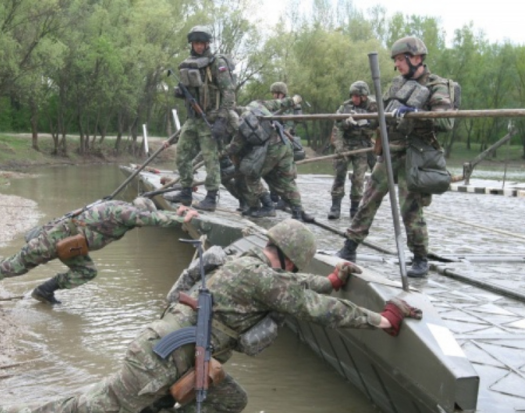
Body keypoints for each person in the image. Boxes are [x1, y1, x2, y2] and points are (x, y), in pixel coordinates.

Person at [0, 219, 423, 413]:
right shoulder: (262, 278)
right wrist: (382, 320)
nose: (295, 273)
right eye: (298, 267)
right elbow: (318, 309)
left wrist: (331, 279)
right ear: (290, 258)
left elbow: (295, 288)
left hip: (179, 357)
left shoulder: (252, 266)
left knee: (230, 399)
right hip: (159, 360)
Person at [335, 37, 455, 278]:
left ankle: (420, 258)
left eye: (401, 59)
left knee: (410, 209)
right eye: (396, 61)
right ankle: (349, 247)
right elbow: (383, 114)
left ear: (417, 58)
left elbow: (446, 120)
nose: (398, 65)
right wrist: (364, 122)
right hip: (391, 151)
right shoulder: (397, 84)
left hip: (416, 156)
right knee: (369, 199)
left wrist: (416, 113)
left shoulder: (436, 85)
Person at [0, 198, 198, 304]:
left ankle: (44, 291)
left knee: (87, 271)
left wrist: (175, 213)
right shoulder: (126, 213)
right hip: (57, 238)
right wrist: (183, 219)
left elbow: (152, 216)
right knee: (17, 266)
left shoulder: (122, 208)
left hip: (74, 245)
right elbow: (152, 219)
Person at [165, 25, 236, 211]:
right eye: (196, 43)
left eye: (202, 43)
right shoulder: (188, 62)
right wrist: (181, 92)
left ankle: (211, 197)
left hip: (210, 119)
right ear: (192, 44)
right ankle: (186, 191)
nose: (198, 46)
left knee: (210, 158)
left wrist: (221, 119)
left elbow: (229, 94)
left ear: (207, 44)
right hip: (193, 119)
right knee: (181, 154)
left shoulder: (216, 63)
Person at [223, 101, 314, 221]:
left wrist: (219, 154)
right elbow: (278, 103)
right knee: (284, 180)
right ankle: (298, 212)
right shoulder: (257, 105)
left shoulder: (242, 123)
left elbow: (234, 147)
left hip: (272, 149)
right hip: (285, 144)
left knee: (251, 176)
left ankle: (268, 206)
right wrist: (291, 101)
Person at [328, 81, 378, 220]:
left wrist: (366, 123)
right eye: (352, 96)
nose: (354, 99)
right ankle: (335, 206)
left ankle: (354, 208)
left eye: (357, 96)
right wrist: (346, 123)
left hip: (362, 145)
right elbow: (337, 125)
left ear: (364, 96)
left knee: (358, 178)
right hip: (345, 143)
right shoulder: (345, 106)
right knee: (339, 175)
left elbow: (380, 124)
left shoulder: (373, 105)